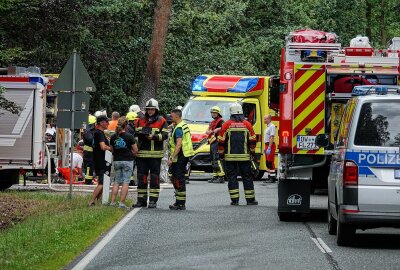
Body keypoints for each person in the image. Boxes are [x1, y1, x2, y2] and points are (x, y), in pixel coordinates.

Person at [218, 103, 258, 206]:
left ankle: (235, 200)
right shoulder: (247, 124)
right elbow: (253, 140)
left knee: (232, 177)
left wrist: (221, 155)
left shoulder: (226, 125)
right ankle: (250, 200)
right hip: (244, 157)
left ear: (231, 113)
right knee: (247, 177)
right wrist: (252, 153)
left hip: (230, 158)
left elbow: (221, 142)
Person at [134, 98, 168, 208]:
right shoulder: (140, 120)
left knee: (154, 178)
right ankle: (141, 201)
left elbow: (165, 135)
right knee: (141, 178)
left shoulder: (162, 121)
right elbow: (135, 133)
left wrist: (153, 137)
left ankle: (153, 201)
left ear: (156, 110)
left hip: (155, 155)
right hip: (142, 154)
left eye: (152, 110)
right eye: (148, 109)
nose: (150, 111)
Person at [167, 108, 194, 210]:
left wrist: (172, 158)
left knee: (178, 177)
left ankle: (180, 203)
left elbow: (178, 145)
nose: (170, 117)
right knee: (177, 177)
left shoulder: (179, 128)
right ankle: (179, 202)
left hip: (180, 155)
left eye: (172, 116)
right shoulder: (182, 125)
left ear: (177, 116)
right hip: (184, 154)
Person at [109, 117, 138, 208]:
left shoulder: (113, 136)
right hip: (127, 160)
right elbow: (136, 150)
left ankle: (112, 202)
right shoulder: (129, 136)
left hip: (117, 160)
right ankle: (121, 203)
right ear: (126, 125)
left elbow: (112, 149)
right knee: (126, 182)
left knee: (116, 182)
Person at [89, 115, 112, 206]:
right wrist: (110, 148)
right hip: (102, 161)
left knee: (102, 182)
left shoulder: (96, 133)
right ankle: (92, 201)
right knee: (102, 183)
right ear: (102, 123)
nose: (108, 123)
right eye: (107, 122)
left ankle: (97, 201)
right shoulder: (100, 133)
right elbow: (103, 147)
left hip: (97, 160)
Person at [206, 106, 225, 183]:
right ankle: (215, 176)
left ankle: (221, 177)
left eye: (215, 113)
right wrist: (208, 131)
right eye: (212, 113)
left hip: (218, 142)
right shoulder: (213, 122)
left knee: (217, 159)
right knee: (213, 159)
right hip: (212, 142)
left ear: (218, 113)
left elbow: (224, 127)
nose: (213, 114)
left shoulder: (221, 121)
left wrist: (218, 129)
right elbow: (210, 129)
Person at [82, 114, 96, 184]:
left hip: (91, 152)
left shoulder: (89, 130)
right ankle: (88, 181)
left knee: (90, 167)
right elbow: (91, 140)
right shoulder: (88, 131)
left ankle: (89, 180)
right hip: (89, 152)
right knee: (89, 167)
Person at [263, 114, 277, 183]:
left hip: (270, 145)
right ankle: (269, 177)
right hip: (267, 145)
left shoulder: (272, 126)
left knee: (270, 162)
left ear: (269, 119)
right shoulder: (268, 127)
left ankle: (273, 177)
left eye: (265, 119)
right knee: (267, 162)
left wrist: (269, 147)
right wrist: (265, 147)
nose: (264, 120)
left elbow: (272, 137)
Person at [126, 111, 138, 186]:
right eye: (135, 120)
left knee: (132, 165)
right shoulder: (129, 128)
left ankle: (131, 181)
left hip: (132, 149)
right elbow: (131, 140)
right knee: (130, 165)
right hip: (130, 150)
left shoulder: (132, 127)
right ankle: (130, 181)